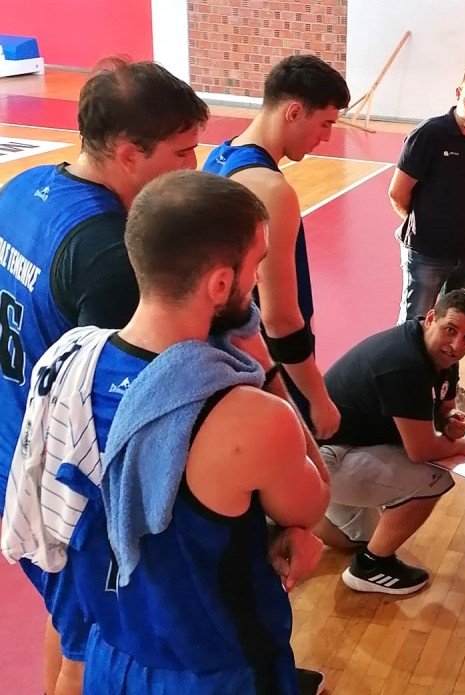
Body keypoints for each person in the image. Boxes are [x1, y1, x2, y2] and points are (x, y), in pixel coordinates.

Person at [2, 170, 331, 693]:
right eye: (256, 264)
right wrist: (265, 367)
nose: (256, 281)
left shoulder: (66, 361)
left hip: (110, 655)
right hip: (215, 671)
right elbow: (313, 503)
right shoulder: (249, 417)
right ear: (220, 284)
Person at [0, 58, 208, 694]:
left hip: (15, 442)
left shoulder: (23, 187)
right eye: (182, 151)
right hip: (65, 482)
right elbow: (119, 408)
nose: (194, 166)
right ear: (127, 153)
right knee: (95, 646)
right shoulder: (112, 255)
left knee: (69, 623)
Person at [204, 54, 350, 440]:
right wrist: (317, 397)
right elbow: (280, 318)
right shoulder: (271, 189)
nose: (326, 138)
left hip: (225, 356)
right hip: (267, 364)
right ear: (294, 112)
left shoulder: (217, 158)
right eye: (325, 123)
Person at [316, 289, 465, 595]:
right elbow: (420, 450)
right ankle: (371, 567)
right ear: (431, 318)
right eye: (450, 330)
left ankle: (281, 513)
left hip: (345, 447)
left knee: (359, 538)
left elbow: (444, 410)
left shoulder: (440, 353)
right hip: (327, 456)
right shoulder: (404, 363)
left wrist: (450, 421)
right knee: (432, 478)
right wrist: (463, 447)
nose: (457, 345)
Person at [388, 66, 465, 418]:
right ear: (457, 94)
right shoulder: (429, 134)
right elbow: (398, 193)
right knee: (416, 324)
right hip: (426, 253)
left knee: (459, 327)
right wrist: (424, 227)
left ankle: (447, 390)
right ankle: (403, 395)